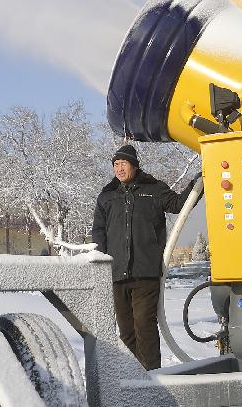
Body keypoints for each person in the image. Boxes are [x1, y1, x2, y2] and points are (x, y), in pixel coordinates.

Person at [91, 144, 198, 370]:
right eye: (115, 164)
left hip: (145, 272)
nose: (118, 168)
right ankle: (133, 376)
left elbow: (178, 204)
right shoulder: (107, 195)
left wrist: (198, 182)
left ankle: (151, 377)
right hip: (116, 273)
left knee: (144, 326)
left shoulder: (154, 189)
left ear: (135, 165)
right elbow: (98, 230)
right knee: (126, 331)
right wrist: (102, 259)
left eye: (123, 163)